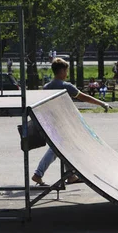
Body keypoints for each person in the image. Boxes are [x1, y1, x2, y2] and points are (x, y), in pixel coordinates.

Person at [31, 58, 112, 186]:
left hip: (49, 123)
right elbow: (84, 97)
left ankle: (71, 176)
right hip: (63, 124)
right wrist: (102, 103)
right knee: (55, 150)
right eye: (66, 70)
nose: (67, 73)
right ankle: (38, 174)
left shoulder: (46, 87)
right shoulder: (66, 86)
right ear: (62, 70)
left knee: (63, 149)